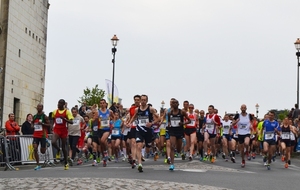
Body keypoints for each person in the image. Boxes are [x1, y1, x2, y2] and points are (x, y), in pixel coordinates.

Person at [127, 94, 160, 172]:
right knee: (138, 145)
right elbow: (134, 117)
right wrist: (130, 123)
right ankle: (140, 164)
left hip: (148, 130)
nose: (143, 101)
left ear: (147, 101)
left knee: (148, 146)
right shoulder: (137, 110)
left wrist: (152, 123)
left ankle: (150, 149)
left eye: (144, 100)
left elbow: (158, 118)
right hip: (139, 129)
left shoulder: (151, 109)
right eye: (142, 100)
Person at [167, 99, 191, 170]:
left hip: (180, 131)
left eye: (176, 103)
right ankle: (172, 164)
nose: (174, 104)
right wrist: (169, 124)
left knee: (178, 150)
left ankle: (182, 145)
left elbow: (189, 120)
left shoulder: (182, 112)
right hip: (172, 131)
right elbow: (169, 121)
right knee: (172, 146)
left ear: (178, 104)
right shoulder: (170, 113)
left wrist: (183, 123)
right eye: (173, 103)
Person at [51, 99, 74, 170]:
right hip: (57, 129)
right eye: (58, 103)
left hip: (63, 130)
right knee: (53, 142)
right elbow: (52, 119)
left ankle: (66, 163)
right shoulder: (55, 111)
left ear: (63, 104)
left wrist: (64, 119)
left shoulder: (67, 112)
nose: (58, 104)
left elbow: (71, 121)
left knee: (64, 147)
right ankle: (58, 149)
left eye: (60, 103)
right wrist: (51, 126)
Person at [32, 103, 50, 170]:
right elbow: (32, 123)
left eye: (40, 107)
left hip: (42, 135)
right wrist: (32, 125)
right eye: (38, 106)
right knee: (35, 148)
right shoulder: (34, 116)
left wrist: (42, 123)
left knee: (42, 151)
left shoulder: (45, 116)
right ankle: (38, 164)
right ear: (36, 108)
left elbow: (49, 125)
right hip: (35, 135)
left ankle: (46, 142)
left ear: (42, 108)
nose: (39, 108)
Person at [125, 95, 141, 169]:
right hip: (133, 127)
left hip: (141, 128)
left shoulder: (143, 108)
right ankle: (134, 160)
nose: (136, 101)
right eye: (135, 100)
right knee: (133, 143)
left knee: (139, 145)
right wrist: (128, 123)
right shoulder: (131, 109)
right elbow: (130, 118)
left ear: (140, 100)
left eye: (138, 100)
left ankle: (139, 157)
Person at [98, 99, 114, 167]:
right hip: (100, 129)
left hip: (107, 129)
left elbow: (113, 118)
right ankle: (104, 157)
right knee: (101, 144)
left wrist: (111, 123)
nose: (102, 104)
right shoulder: (98, 112)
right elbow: (94, 119)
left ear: (105, 104)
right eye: (101, 103)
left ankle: (105, 152)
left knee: (102, 140)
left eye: (103, 103)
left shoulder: (109, 111)